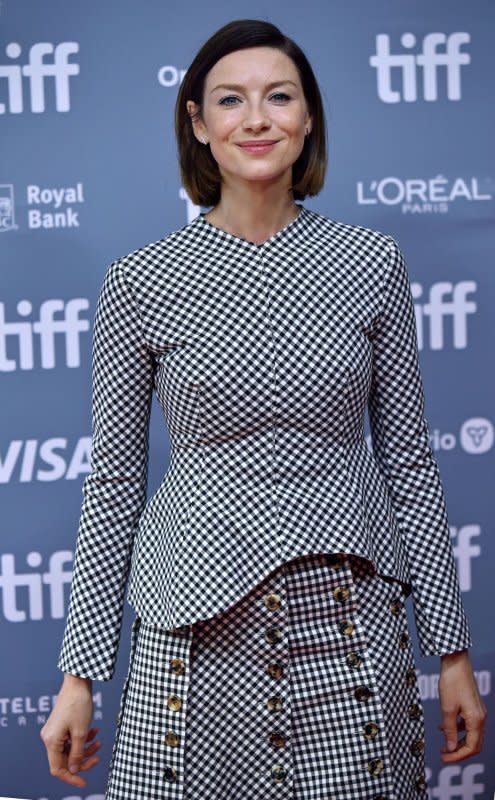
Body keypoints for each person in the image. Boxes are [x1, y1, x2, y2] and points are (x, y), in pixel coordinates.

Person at [40, 18, 486, 800]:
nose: (256, 119)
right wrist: (79, 674)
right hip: (191, 631)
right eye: (230, 101)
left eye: (279, 97)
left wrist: (449, 655)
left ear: (307, 116)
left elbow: (409, 461)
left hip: (347, 624)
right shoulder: (139, 281)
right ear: (198, 124)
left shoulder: (369, 261)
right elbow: (111, 485)